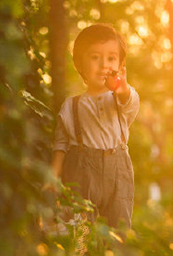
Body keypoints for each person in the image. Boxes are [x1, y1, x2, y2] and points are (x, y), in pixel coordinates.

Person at [51, 23, 140, 229]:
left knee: (118, 231)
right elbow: (61, 144)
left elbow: (128, 98)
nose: (104, 65)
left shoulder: (120, 100)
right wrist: (53, 177)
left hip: (117, 171)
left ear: (120, 64)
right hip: (81, 170)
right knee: (78, 230)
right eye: (94, 57)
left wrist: (121, 86)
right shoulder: (71, 105)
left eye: (111, 58)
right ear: (79, 64)